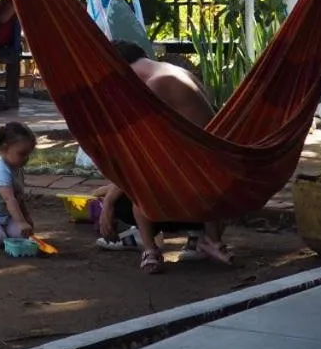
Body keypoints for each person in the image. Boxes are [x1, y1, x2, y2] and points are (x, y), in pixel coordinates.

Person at [97, 41, 230, 274]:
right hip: (209, 172)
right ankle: (205, 238)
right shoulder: (175, 72)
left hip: (193, 179)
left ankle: (151, 250)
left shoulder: (154, 85)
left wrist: (109, 200)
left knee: (130, 192)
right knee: (126, 181)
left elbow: (141, 152)